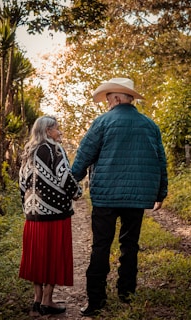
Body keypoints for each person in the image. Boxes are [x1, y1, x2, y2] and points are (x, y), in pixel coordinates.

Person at [72, 78, 168, 317]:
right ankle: (126, 293)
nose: (107, 105)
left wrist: (71, 180)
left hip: (105, 197)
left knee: (101, 246)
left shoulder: (102, 122)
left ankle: (96, 301)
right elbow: (161, 162)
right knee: (130, 245)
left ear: (115, 98)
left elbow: (84, 155)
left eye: (107, 100)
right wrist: (160, 193)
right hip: (137, 198)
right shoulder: (150, 125)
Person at [19, 115, 82, 316]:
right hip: (55, 214)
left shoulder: (28, 151)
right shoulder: (55, 150)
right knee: (54, 255)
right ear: (48, 131)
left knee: (37, 256)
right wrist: (77, 192)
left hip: (33, 215)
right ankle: (47, 300)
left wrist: (28, 206)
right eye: (57, 129)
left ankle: (37, 300)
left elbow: (21, 183)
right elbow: (64, 176)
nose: (60, 132)